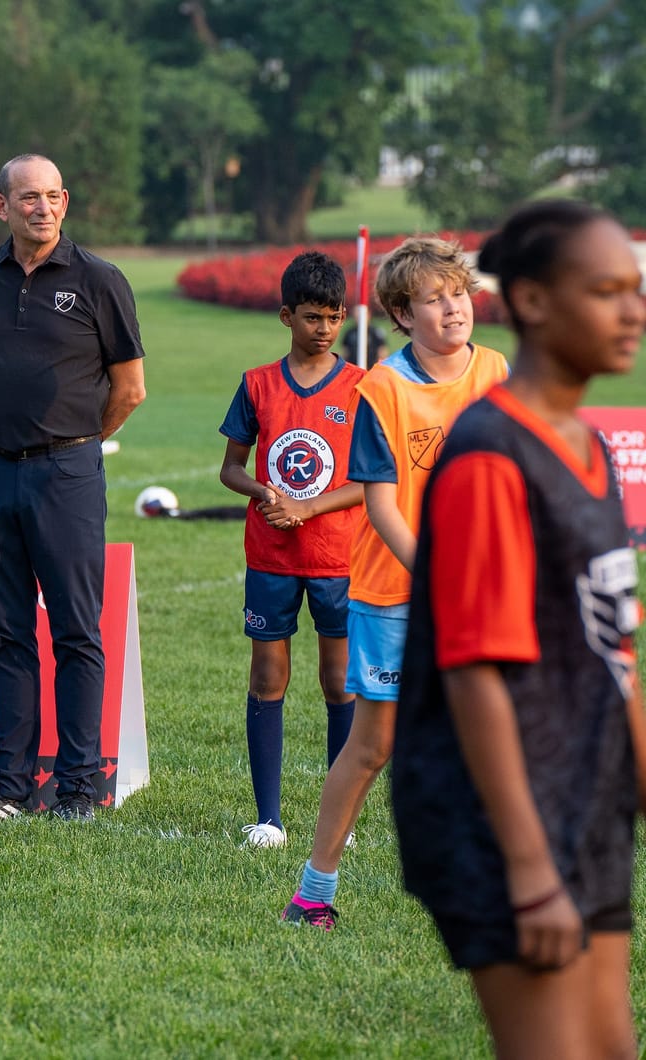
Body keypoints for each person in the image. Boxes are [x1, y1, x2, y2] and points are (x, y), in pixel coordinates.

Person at [391, 200, 646, 1057]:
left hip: (586, 802)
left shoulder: (587, 445)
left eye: (636, 289)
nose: (633, 310)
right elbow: (473, 672)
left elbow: (614, 651)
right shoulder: (492, 455)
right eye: (605, 291)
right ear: (533, 302)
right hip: (504, 823)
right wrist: (529, 870)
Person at [282, 236, 508, 929]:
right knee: (373, 746)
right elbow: (380, 505)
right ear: (403, 316)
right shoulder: (381, 386)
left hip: (480, 591)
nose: (451, 309)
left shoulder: (496, 370)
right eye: (432, 300)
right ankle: (312, 893)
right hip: (396, 593)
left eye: (457, 294)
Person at [0, 153, 146, 822]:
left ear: (66, 203)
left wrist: (77, 439)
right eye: (29, 196)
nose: (43, 207)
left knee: (75, 633)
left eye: (54, 196)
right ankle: (9, 786)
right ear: (1, 206)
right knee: (4, 632)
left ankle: (77, 788)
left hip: (67, 473)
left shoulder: (101, 280)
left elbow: (130, 388)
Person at [218, 251, 365, 848]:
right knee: (267, 677)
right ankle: (269, 818)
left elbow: (369, 482)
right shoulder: (257, 384)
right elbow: (230, 469)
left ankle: (341, 820)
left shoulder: (362, 387)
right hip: (271, 558)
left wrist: (308, 507)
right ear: (286, 316)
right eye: (311, 317)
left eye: (333, 317)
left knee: (340, 683)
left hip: (336, 558)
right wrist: (263, 493)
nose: (323, 328)